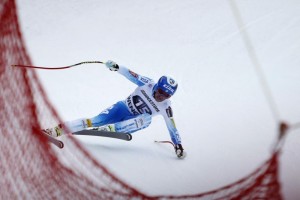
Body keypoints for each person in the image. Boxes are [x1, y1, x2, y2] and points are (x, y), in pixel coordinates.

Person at [45, 60, 186, 158]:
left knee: (146, 119)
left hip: (132, 122)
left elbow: (172, 128)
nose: (161, 97)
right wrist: (116, 67)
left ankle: (113, 128)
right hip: (121, 108)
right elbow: (130, 74)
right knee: (93, 121)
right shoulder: (147, 83)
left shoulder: (166, 107)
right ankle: (55, 130)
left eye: (167, 95)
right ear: (156, 86)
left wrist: (178, 145)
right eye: (161, 91)